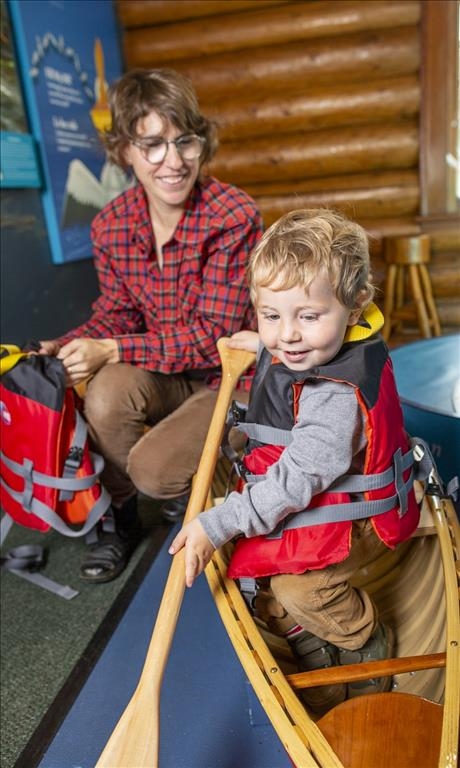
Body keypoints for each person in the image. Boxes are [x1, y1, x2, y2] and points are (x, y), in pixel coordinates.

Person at [169, 208, 420, 714]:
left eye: (308, 316)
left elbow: (298, 478)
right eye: (270, 315)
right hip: (322, 497)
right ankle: (313, 643)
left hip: (364, 518)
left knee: (296, 586)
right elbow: (283, 346)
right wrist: (256, 347)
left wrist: (216, 523)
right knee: (264, 575)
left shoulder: (334, 395)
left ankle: (363, 640)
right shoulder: (301, 346)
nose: (286, 336)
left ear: (355, 308)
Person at [39, 68, 263, 583]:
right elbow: (116, 314)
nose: (174, 160)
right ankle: (121, 518)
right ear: (124, 151)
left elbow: (216, 335)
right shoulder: (110, 224)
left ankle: (183, 485)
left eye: (184, 141)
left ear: (201, 142)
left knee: (153, 471)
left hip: (228, 376)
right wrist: (68, 344)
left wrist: (113, 348)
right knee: (104, 392)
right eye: (153, 144)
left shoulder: (231, 214)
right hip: (163, 373)